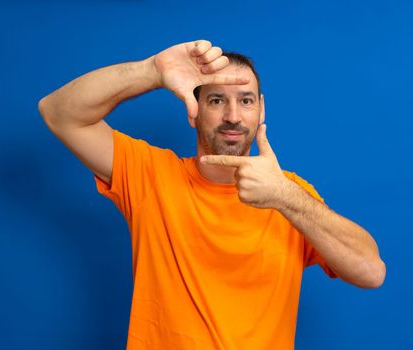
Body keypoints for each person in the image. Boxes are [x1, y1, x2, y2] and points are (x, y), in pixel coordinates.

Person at [38, 39, 386, 350]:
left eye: (245, 101)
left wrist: (284, 196)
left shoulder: (290, 193)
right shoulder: (149, 174)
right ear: (195, 110)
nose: (233, 116)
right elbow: (59, 112)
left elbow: (371, 271)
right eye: (217, 100)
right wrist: (152, 70)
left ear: (261, 110)